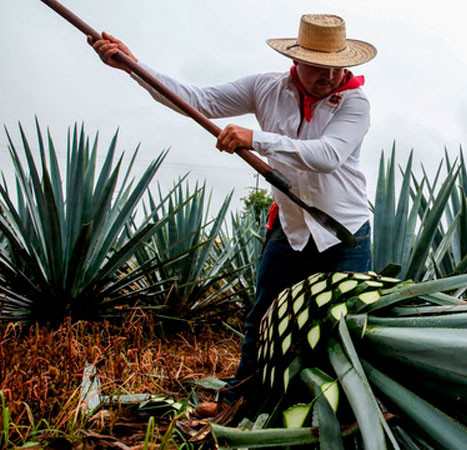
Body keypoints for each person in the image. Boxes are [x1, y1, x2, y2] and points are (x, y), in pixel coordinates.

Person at [90, 14, 376, 404]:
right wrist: (132, 67)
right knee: (263, 319)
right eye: (316, 66)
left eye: (334, 66)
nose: (327, 76)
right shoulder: (264, 88)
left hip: (344, 234)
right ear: (297, 60)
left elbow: (327, 156)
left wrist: (256, 139)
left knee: (340, 325)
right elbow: (197, 100)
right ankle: (238, 402)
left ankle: (332, 411)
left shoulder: (355, 102)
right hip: (291, 230)